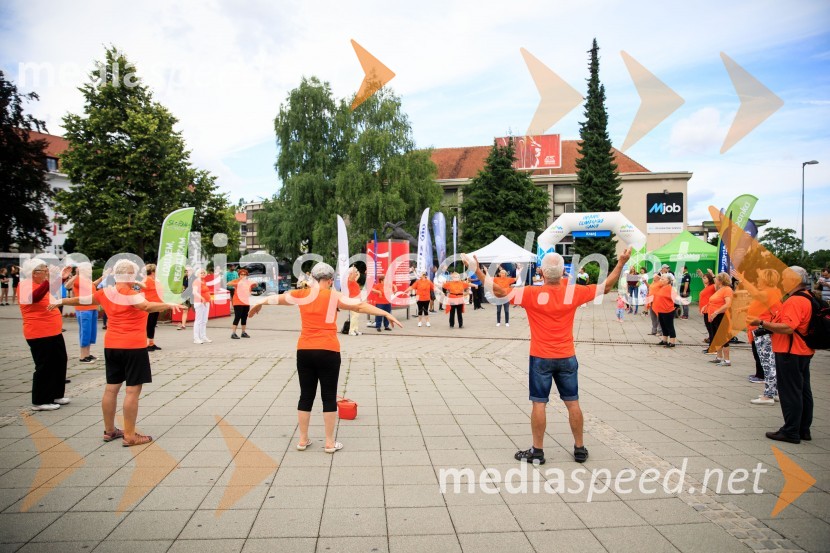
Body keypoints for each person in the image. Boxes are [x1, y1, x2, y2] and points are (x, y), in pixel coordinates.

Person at [467, 248, 631, 464]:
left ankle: (538, 451)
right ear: (564, 273)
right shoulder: (573, 292)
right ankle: (579, 449)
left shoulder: (531, 293)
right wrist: (621, 262)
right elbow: (607, 286)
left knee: (539, 403)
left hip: (540, 357)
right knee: (573, 403)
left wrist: (478, 271)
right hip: (566, 356)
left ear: (541, 274)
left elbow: (498, 292)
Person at [249, 262, 402, 453]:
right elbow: (360, 307)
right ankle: (329, 442)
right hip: (328, 350)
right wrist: (385, 313)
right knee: (328, 396)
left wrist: (258, 303)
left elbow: (276, 299)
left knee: (306, 396)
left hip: (304, 350)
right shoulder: (334, 296)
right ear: (330, 280)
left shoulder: (301, 295)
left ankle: (303, 440)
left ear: (312, 278)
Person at [53, 259, 180, 445]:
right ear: (130, 275)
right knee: (132, 390)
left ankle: (110, 430)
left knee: (111, 388)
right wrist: (168, 305)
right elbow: (146, 306)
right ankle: (129, 436)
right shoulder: (130, 294)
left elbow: (82, 299)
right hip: (133, 347)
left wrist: (61, 300)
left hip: (112, 345)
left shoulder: (106, 292)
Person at [748, 266, 814, 444]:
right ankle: (802, 429)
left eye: (785, 278)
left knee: (791, 392)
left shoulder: (795, 301)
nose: (782, 282)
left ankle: (791, 430)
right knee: (803, 391)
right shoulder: (808, 297)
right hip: (802, 350)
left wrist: (762, 323)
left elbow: (788, 327)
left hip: (790, 351)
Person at [19, 260, 70, 411]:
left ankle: (55, 395)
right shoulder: (25, 285)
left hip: (52, 332)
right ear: (34, 273)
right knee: (45, 366)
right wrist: (53, 279)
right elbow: (35, 297)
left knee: (59, 362)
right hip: (39, 333)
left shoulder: (41, 285)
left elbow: (47, 290)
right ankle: (40, 401)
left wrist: (61, 278)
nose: (47, 272)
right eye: (44, 270)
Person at [735, 268, 783, 404]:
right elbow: (760, 305)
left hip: (764, 332)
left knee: (768, 364)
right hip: (762, 331)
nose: (758, 281)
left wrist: (743, 280)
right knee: (768, 363)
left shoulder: (769, 292)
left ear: (766, 280)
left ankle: (768, 395)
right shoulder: (771, 292)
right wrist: (744, 309)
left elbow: (756, 294)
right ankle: (774, 392)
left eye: (760, 278)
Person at [64, 263, 104, 363]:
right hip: (83, 309)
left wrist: (103, 277)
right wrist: (76, 275)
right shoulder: (78, 278)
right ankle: (83, 356)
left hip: (92, 308)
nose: (90, 270)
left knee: (91, 332)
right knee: (85, 332)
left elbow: (93, 285)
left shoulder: (87, 279)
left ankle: (88, 354)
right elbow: (67, 286)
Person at [706, 272, 734, 366]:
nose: (715, 280)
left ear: (721, 281)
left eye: (717, 279)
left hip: (721, 316)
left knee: (723, 338)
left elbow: (728, 304)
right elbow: (714, 301)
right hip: (714, 316)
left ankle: (727, 360)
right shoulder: (720, 289)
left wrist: (716, 312)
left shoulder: (727, 290)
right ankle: (719, 357)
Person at [138, 264, 165, 351]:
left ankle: (151, 343)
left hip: (155, 305)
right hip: (149, 305)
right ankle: (146, 343)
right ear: (153, 272)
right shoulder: (147, 280)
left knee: (152, 325)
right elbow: (143, 288)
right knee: (149, 325)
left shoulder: (154, 280)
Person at [227, 268, 256, 339]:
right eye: (241, 274)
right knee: (237, 317)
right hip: (238, 301)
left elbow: (255, 285)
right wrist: (238, 284)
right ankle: (233, 333)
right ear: (239, 275)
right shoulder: (237, 281)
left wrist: (254, 283)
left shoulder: (248, 282)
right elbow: (228, 283)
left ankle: (243, 332)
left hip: (245, 302)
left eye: (244, 274)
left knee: (244, 317)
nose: (243, 276)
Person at [653, 274, 679, 347]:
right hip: (661, 310)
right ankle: (664, 340)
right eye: (661, 279)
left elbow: (676, 299)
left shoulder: (670, 288)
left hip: (667, 310)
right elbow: (659, 278)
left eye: (663, 279)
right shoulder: (662, 287)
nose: (661, 280)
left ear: (668, 281)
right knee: (663, 326)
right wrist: (661, 277)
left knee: (669, 326)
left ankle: (672, 342)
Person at [192, 268, 213, 344]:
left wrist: (208, 299)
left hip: (206, 302)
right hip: (199, 302)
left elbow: (206, 291)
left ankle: (203, 336)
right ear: (197, 274)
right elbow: (194, 292)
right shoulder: (196, 282)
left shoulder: (203, 281)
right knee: (198, 321)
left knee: (204, 321)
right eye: (201, 273)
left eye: (204, 273)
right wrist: (202, 298)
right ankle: (196, 338)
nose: (203, 274)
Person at [697, 271, 716, 349]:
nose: (703, 279)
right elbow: (705, 283)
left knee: (712, 329)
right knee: (709, 329)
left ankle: (713, 347)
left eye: (705, 278)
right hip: (705, 311)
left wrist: (712, 274)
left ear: (710, 279)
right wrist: (702, 275)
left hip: (709, 310)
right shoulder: (707, 287)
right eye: (703, 278)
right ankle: (711, 346)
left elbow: (717, 283)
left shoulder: (713, 286)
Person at [346, 267, 363, 335]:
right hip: (353, 300)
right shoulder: (349, 280)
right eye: (354, 272)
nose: (356, 273)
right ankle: (351, 330)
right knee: (354, 316)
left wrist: (357, 272)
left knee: (356, 316)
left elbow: (357, 276)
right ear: (351, 274)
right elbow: (352, 274)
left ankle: (356, 329)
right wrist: (353, 269)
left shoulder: (354, 281)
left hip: (357, 300)